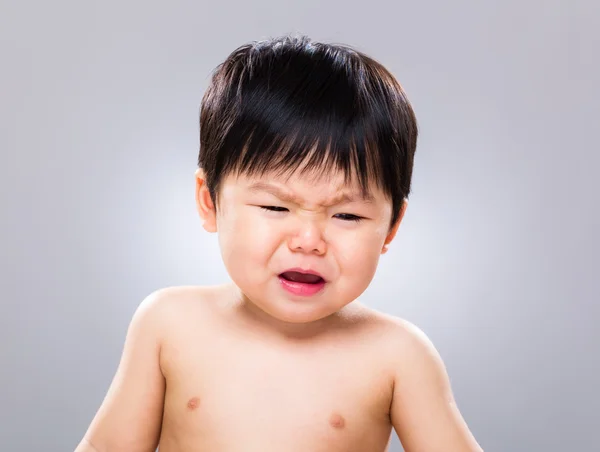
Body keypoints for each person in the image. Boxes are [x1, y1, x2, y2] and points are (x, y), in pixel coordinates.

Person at [75, 33, 483, 452]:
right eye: (275, 208)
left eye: (347, 215)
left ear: (391, 227)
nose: (309, 242)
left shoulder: (397, 355)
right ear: (209, 201)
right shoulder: (168, 324)